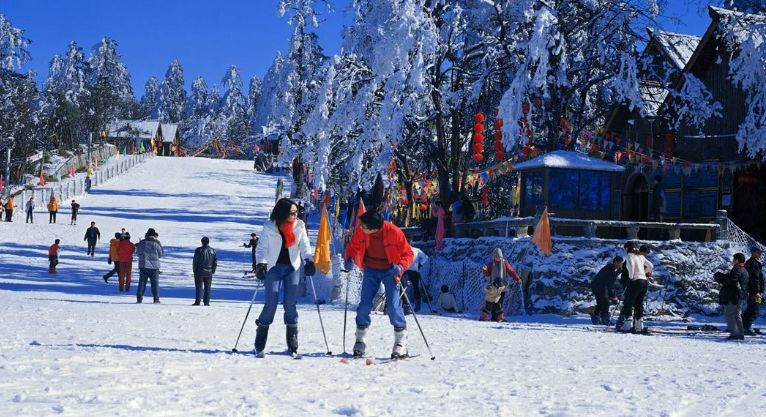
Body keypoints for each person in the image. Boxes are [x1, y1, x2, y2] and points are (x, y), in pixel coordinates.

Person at [344, 210, 414, 359]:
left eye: (363, 226)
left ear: (374, 228)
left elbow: (408, 253)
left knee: (393, 307)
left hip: (390, 270)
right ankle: (360, 339)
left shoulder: (394, 232)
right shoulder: (361, 231)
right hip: (370, 269)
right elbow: (352, 246)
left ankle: (401, 340)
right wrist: (348, 258)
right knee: (364, 305)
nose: (360, 228)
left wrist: (401, 266)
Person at [253, 198, 314, 357]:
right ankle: (260, 338)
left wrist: (309, 260)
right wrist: (261, 264)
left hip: (292, 267)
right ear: (282, 213)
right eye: (292, 213)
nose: (296, 215)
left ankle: (292, 341)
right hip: (273, 268)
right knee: (271, 303)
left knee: (290, 304)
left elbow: (305, 245)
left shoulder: (299, 226)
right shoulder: (269, 227)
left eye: (296, 212)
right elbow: (261, 248)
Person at [616, 242, 653, 333]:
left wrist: (631, 277)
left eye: (625, 249)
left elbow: (631, 265)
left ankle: (628, 325)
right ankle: (639, 325)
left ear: (628, 248)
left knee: (628, 301)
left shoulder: (629, 256)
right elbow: (651, 266)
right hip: (644, 281)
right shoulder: (641, 256)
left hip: (635, 281)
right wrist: (643, 273)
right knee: (639, 303)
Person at [715, 253, 749, 340]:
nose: (732, 261)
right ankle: (740, 334)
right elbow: (733, 279)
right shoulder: (744, 269)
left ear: (737, 260)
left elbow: (732, 281)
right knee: (737, 315)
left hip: (733, 296)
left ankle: (735, 334)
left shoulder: (737, 269)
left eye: (734, 259)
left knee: (729, 314)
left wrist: (720, 278)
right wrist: (725, 276)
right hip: (739, 296)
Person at [590, 256, 624, 325]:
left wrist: (612, 295)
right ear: (615, 262)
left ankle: (595, 317)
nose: (620, 265)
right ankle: (605, 320)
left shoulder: (611, 268)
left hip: (598, 286)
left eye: (621, 263)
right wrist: (613, 295)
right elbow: (610, 283)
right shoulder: (609, 269)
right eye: (619, 263)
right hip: (599, 286)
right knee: (605, 302)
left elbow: (609, 283)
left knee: (601, 303)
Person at [135, 228, 163, 303]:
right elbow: (160, 254)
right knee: (155, 284)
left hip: (143, 265)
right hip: (154, 267)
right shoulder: (157, 243)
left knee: (142, 283)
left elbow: (138, 253)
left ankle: (139, 299)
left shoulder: (142, 242)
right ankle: (156, 299)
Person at [743, 247, 763, 335]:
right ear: (753, 253)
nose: (760, 254)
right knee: (754, 309)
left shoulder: (753, 263)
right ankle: (746, 327)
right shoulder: (752, 263)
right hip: (754, 291)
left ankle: (744, 326)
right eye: (759, 252)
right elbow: (754, 279)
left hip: (754, 291)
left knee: (751, 308)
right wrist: (757, 291)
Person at [402, 247, 429, 313]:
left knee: (405, 287)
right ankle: (411, 306)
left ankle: (409, 306)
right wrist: (420, 264)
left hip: (407, 270)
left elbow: (425, 257)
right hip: (410, 270)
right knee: (413, 288)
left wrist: (420, 264)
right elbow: (425, 257)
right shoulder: (416, 250)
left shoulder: (413, 249)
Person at [193, 236, 218, 306]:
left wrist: (194, 270)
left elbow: (195, 261)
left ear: (202, 242)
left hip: (199, 271)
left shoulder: (198, 250)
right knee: (207, 288)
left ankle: (198, 301)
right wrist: (213, 270)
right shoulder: (213, 250)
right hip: (209, 272)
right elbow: (215, 262)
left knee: (198, 287)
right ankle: (206, 302)